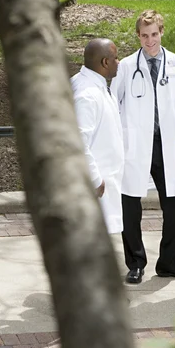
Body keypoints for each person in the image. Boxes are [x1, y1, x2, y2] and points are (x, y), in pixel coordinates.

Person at [110, 10, 175, 284]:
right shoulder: (125, 66)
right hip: (134, 145)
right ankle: (135, 263)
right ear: (138, 35)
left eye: (154, 34)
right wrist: (118, 140)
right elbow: (114, 103)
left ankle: (169, 262)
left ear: (162, 32)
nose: (150, 40)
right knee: (129, 203)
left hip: (164, 143)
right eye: (144, 35)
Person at [71, 38, 124, 234]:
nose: (119, 62)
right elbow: (77, 141)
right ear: (105, 62)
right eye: (115, 58)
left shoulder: (92, 85)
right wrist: (95, 179)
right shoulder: (87, 94)